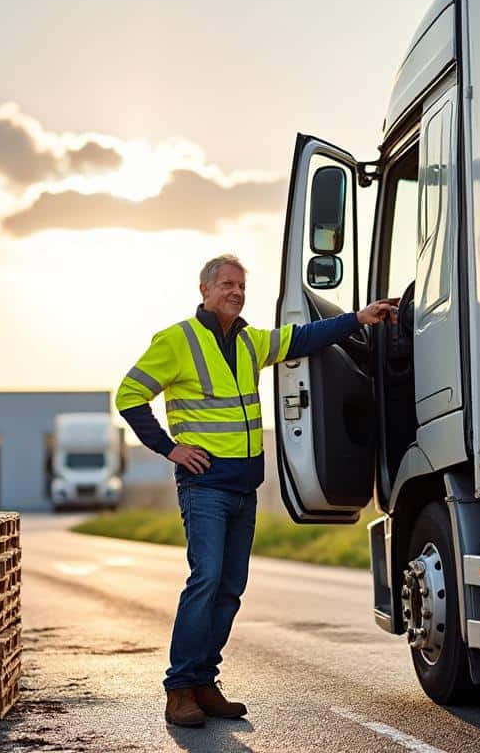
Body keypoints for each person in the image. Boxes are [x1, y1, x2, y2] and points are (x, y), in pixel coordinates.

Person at [115, 253, 397, 728]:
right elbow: (129, 395)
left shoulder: (250, 341)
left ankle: (204, 682)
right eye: (227, 284)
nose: (236, 292)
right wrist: (170, 448)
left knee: (230, 589)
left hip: (244, 487)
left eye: (242, 286)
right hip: (205, 486)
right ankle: (179, 688)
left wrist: (357, 318)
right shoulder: (177, 340)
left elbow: (303, 338)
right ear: (204, 290)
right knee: (206, 580)